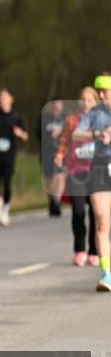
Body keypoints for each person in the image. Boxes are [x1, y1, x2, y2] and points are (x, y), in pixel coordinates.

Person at [73, 75, 111, 292]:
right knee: (102, 221)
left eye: (106, 91)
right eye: (100, 92)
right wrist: (97, 133)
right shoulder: (94, 114)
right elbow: (77, 133)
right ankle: (106, 274)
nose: (102, 95)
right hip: (99, 168)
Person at [56, 88, 99, 267]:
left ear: (96, 102)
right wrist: (60, 155)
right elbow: (65, 140)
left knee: (95, 214)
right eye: (83, 99)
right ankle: (79, 250)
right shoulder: (72, 120)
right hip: (76, 172)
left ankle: (94, 251)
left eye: (90, 100)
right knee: (79, 212)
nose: (86, 103)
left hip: (97, 172)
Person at [0, 89, 29, 227]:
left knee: (8, 180)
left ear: (11, 99)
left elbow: (26, 136)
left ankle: (6, 210)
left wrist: (20, 133)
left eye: (5, 97)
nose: (3, 100)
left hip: (9, 154)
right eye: (1, 97)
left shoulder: (16, 117)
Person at [39, 100, 66, 217]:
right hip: (47, 153)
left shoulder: (66, 119)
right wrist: (48, 133)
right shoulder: (44, 119)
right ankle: (52, 200)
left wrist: (61, 132)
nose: (57, 108)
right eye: (55, 106)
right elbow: (37, 135)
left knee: (59, 177)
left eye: (59, 105)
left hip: (61, 152)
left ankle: (57, 201)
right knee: (49, 179)